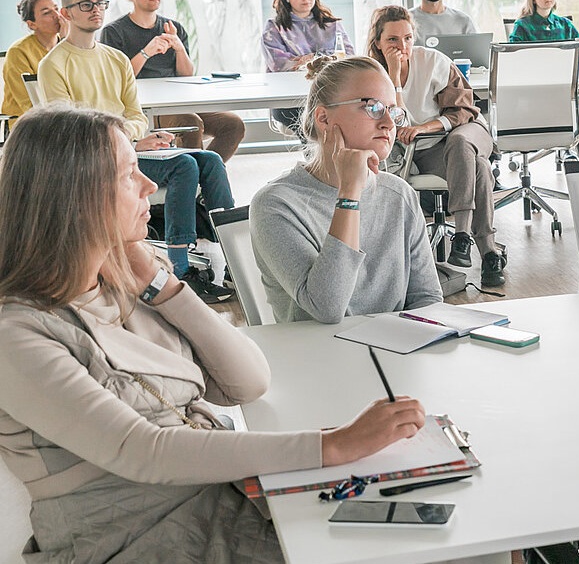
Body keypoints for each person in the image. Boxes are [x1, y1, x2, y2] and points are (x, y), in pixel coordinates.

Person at [0, 106, 429, 562]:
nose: (149, 186)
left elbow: (248, 382)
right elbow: (143, 451)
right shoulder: (17, 335)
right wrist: (335, 445)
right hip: (132, 537)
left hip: (218, 498)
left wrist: (167, 289)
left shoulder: (130, 286)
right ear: (74, 197)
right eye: (129, 174)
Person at [37, 0, 235, 303]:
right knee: (184, 166)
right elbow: (72, 130)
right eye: (85, 5)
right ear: (66, 13)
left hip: (130, 149)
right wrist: (129, 141)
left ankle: (232, 256)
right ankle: (181, 269)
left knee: (211, 161)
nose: (95, 10)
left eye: (100, 3)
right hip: (96, 159)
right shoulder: (53, 65)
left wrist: (135, 138)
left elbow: (136, 114)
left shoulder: (115, 60)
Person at [251, 55, 444, 323]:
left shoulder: (399, 194)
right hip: (320, 348)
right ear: (323, 118)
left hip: (394, 346)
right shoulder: (274, 204)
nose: (389, 124)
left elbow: (427, 299)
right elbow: (326, 308)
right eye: (372, 107)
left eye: (393, 111)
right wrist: (349, 194)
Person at [367, 6, 507, 286]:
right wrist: (394, 78)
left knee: (460, 142)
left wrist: (424, 127)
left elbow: (464, 110)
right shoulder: (371, 76)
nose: (402, 46)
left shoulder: (432, 61)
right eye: (392, 40)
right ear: (378, 43)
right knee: (479, 169)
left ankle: (462, 234)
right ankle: (489, 252)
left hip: (468, 130)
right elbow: (396, 123)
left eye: (408, 38)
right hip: (430, 149)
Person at [100, 0, 245, 162]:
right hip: (145, 106)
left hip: (179, 100)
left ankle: (206, 175)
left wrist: (179, 48)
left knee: (233, 124)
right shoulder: (114, 32)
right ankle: (194, 178)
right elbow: (118, 80)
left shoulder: (173, 27)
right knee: (191, 123)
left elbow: (187, 74)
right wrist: (146, 52)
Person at [508, 0, 579, 159]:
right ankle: (566, 148)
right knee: (572, 98)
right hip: (535, 88)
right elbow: (512, 59)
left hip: (565, 85)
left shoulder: (564, 24)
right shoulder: (522, 26)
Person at [262, 0, 354, 134]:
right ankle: (319, 151)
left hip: (328, 93)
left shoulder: (331, 24)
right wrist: (321, 59)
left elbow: (348, 57)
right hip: (288, 99)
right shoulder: (274, 27)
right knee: (314, 122)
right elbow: (277, 64)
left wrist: (310, 58)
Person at [1, 0, 65, 118]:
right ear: (32, 24)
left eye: (56, 9)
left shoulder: (67, 44)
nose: (57, 15)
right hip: (28, 122)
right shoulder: (18, 52)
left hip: (64, 116)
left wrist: (66, 41)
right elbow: (30, 104)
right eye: (47, 13)